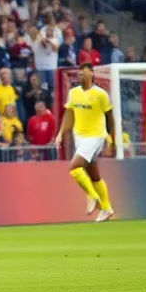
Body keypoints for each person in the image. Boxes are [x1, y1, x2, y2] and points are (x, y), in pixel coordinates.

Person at [55, 63, 116, 222]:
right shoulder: (73, 93)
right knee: (94, 175)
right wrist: (60, 133)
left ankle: (93, 196)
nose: (81, 74)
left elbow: (110, 118)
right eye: (79, 72)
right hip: (80, 137)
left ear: (91, 74)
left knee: (74, 167)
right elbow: (69, 114)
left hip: (96, 136)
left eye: (84, 72)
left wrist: (110, 138)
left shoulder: (101, 94)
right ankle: (107, 208)